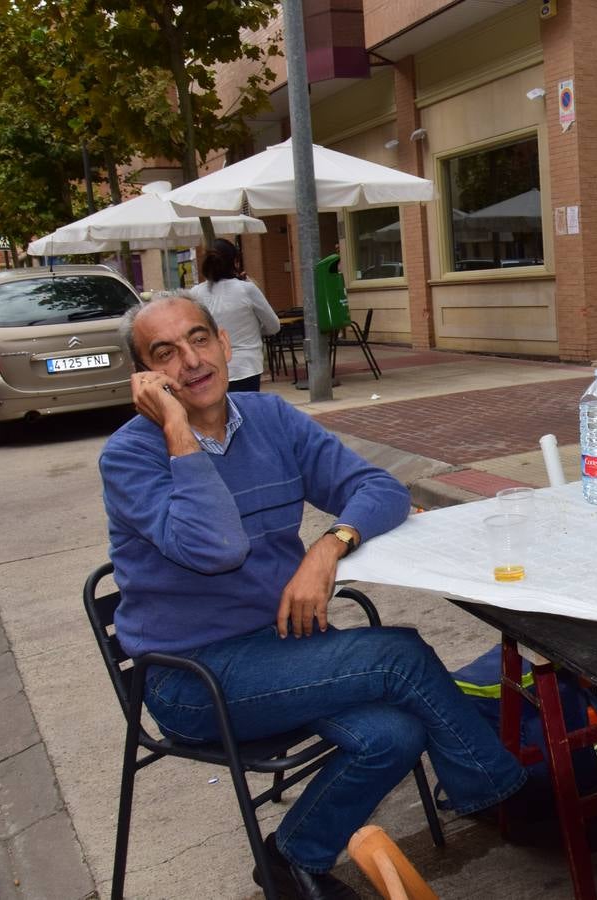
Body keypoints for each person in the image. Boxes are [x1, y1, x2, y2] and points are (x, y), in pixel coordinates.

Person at [100, 295, 525, 900]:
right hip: (192, 678)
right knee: (400, 656)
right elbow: (215, 546)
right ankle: (511, 796)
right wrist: (178, 432)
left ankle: (290, 861)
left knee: (394, 734)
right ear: (144, 378)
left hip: (283, 643)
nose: (190, 361)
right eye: (164, 354)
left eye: (199, 339)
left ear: (224, 342)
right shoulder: (129, 455)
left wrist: (328, 547)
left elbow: (377, 487)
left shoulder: (269, 418)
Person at [189, 238, 279, 392]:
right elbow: (274, 326)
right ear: (235, 262)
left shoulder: (195, 293)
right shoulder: (247, 289)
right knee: (246, 412)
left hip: (210, 367)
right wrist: (253, 329)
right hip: (246, 367)